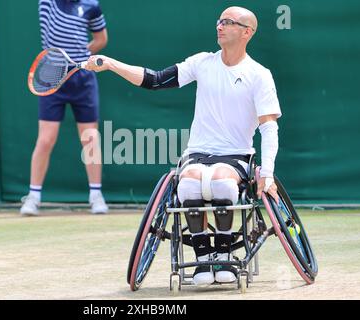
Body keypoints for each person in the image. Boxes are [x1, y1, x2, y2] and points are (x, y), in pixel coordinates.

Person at [84, 6, 282, 285]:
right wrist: (111, 64)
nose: (220, 26)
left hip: (236, 155)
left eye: (228, 22)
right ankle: (203, 259)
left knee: (222, 182)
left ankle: (223, 255)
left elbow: (268, 127)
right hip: (198, 154)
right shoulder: (202, 62)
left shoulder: (259, 74)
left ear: (247, 32)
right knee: (189, 183)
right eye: (219, 21)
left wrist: (268, 173)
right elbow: (154, 80)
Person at [21, 0, 109, 216]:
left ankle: (96, 196)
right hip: (51, 76)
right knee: (46, 139)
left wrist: (81, 56)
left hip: (82, 78)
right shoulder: (47, 2)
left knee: (90, 138)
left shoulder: (91, 5)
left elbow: (101, 39)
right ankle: (33, 197)